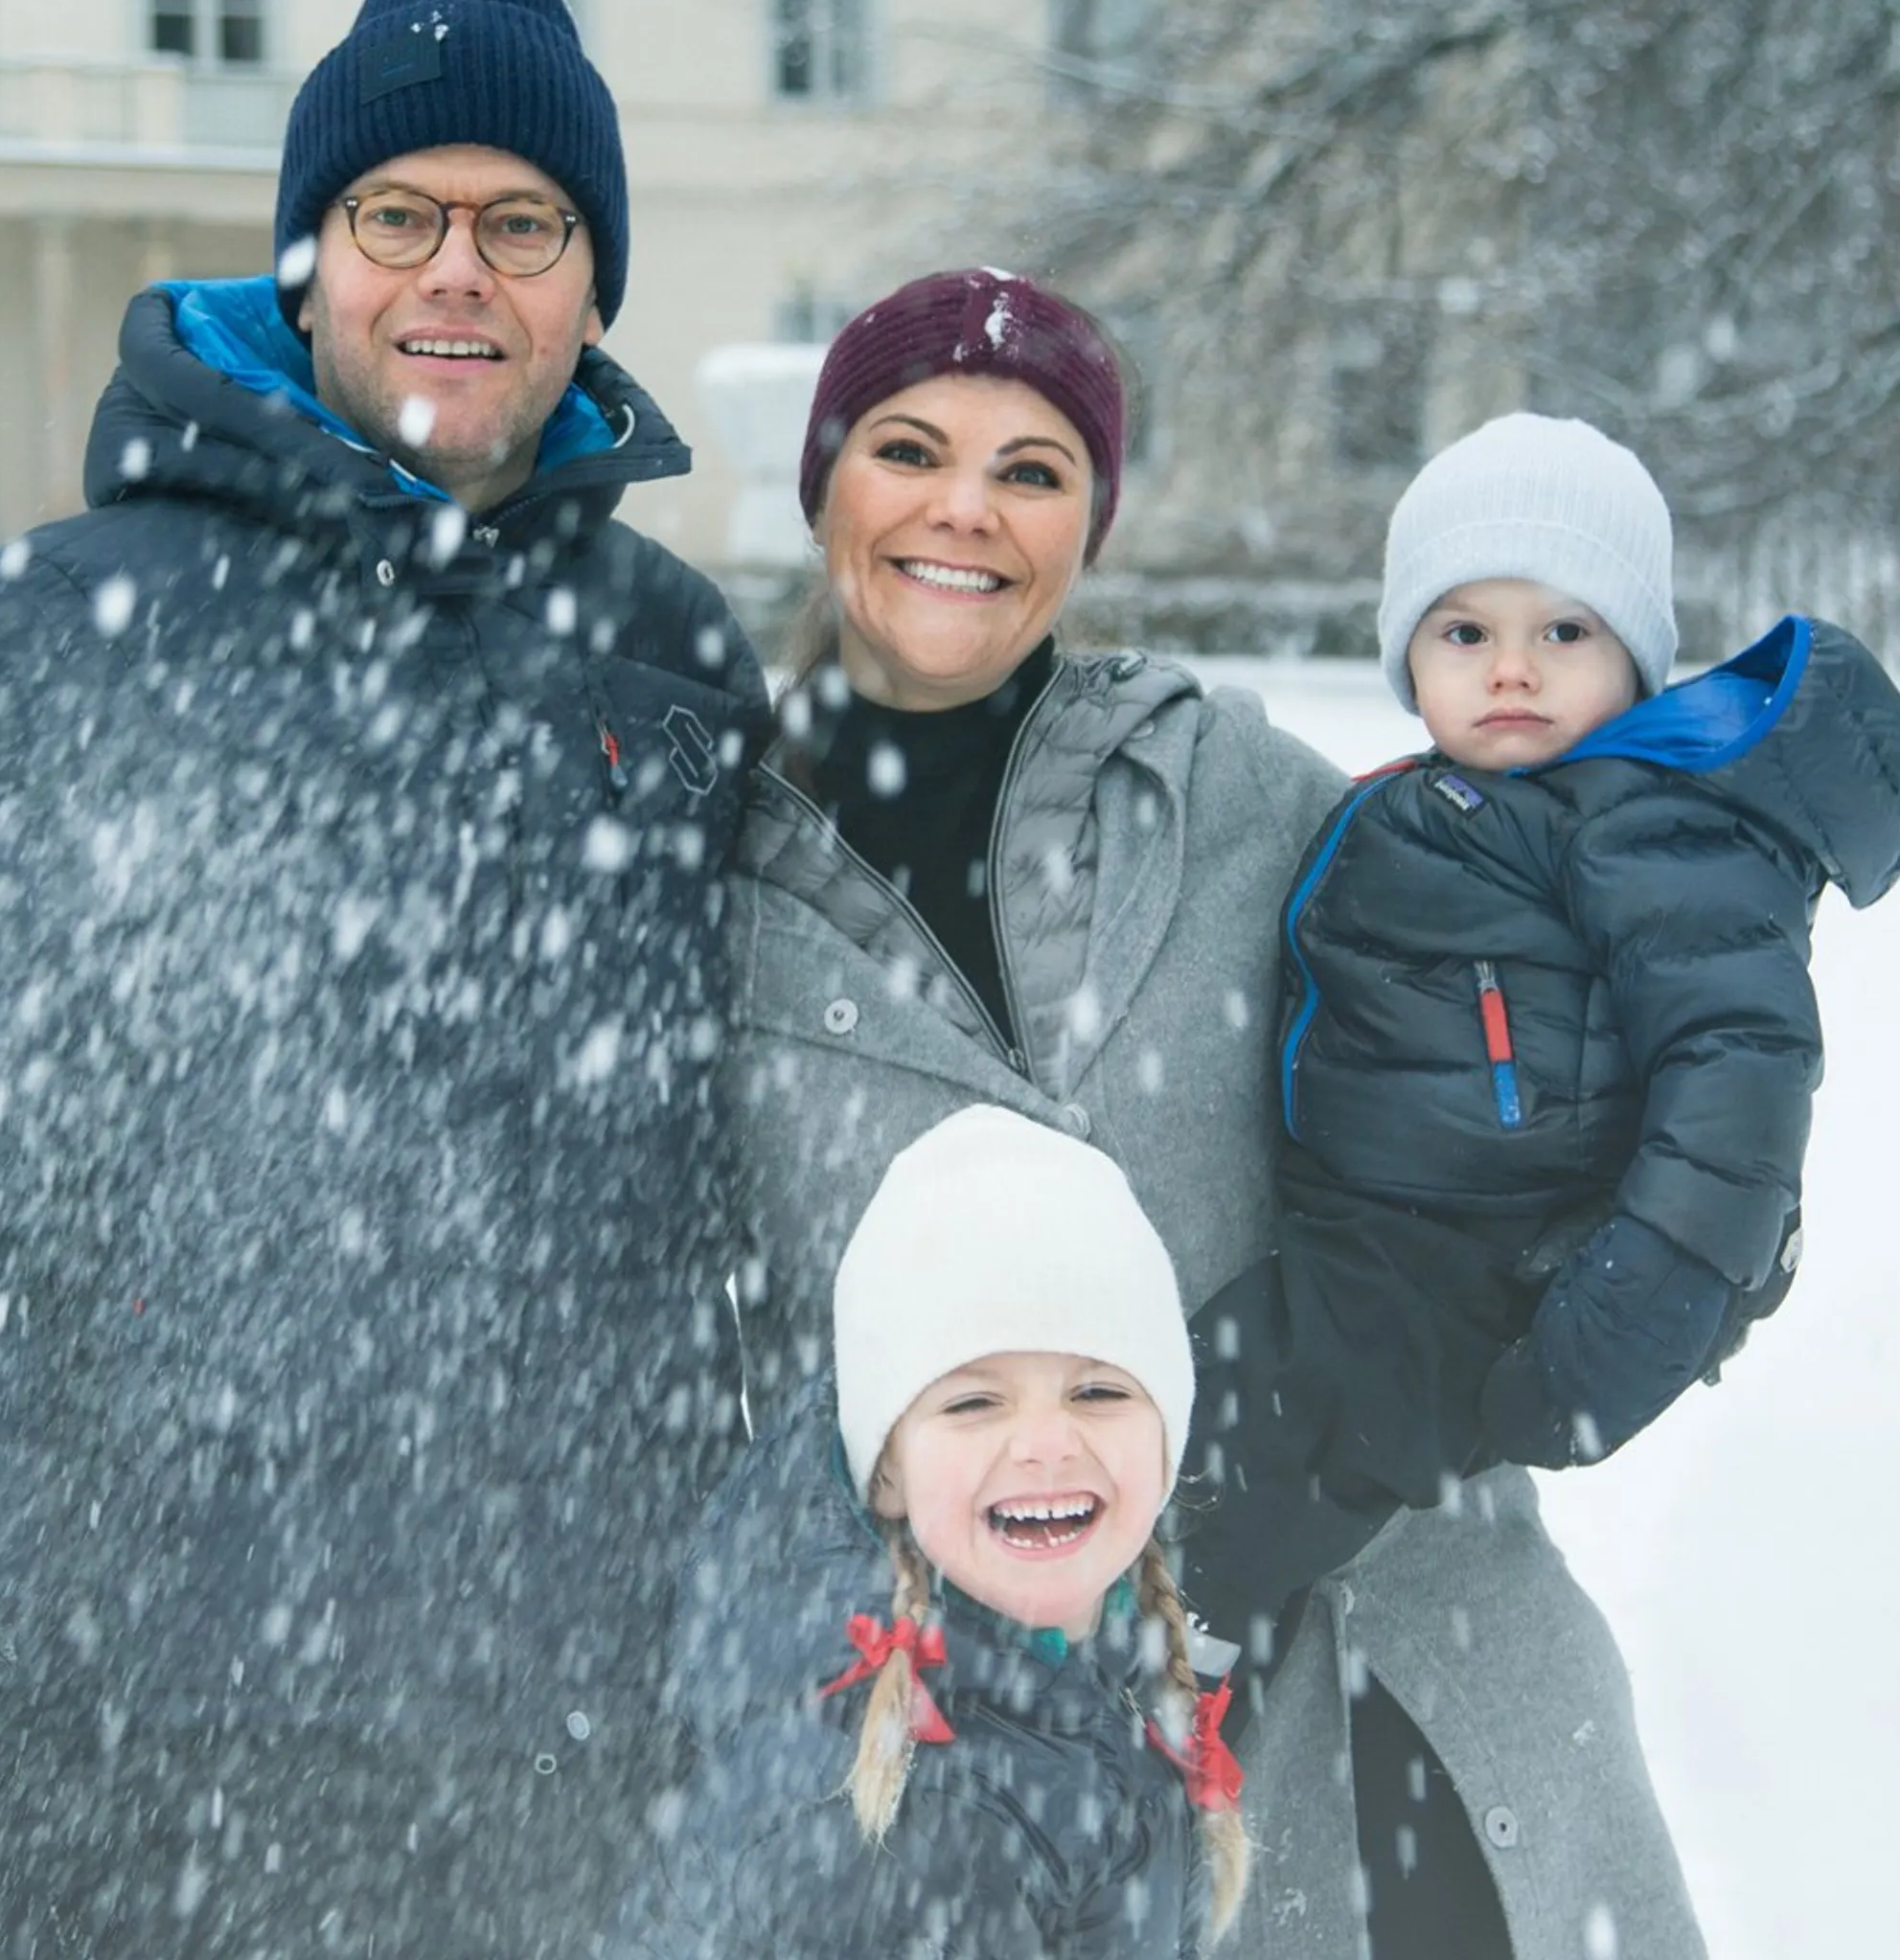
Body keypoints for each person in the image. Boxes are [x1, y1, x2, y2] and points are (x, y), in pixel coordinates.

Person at [0, 0, 768, 1956]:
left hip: (576, 1771)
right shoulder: (54, 637)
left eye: (523, 224)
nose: (458, 271)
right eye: (399, 214)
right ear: (314, 257)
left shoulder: (675, 662)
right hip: (123, 1755)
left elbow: (744, 1193)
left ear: (594, 286)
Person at [714, 267, 1703, 1960]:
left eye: (1032, 470)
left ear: (1090, 524)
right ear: (825, 488)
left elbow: (1563, 1125)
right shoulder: (717, 908)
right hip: (1000, 1796)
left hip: (1409, 1703)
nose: (965, 509)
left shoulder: (1247, 803)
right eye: (909, 450)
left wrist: (1315, 1418)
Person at [1174, 411, 1900, 1631]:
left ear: (1636, 662)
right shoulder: (1460, 799)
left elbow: (1738, 1072)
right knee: (1190, 1383)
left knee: (1264, 1432)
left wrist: (1649, 1299)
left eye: (1564, 632)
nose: (1511, 669)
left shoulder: (1648, 825)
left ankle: (1169, 1644)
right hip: (1369, 1225)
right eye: (1465, 632)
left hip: (1479, 1259)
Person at [620, 1106, 1247, 1958]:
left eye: (1097, 1392)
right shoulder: (915, 1828)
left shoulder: (1066, 1688)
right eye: (974, 1402)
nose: (1046, 1443)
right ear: (887, 1471)